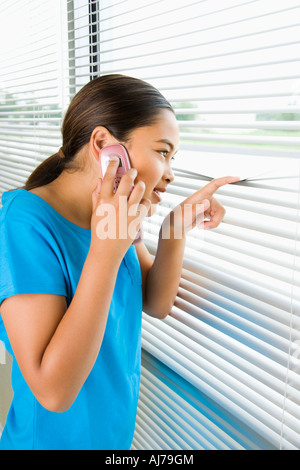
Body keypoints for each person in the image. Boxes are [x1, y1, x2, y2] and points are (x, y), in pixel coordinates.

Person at [0, 74, 239, 450]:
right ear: (104, 145)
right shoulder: (23, 221)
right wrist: (106, 249)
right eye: (163, 152)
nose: (171, 173)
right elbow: (53, 392)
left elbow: (156, 302)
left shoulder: (116, 216)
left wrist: (173, 229)